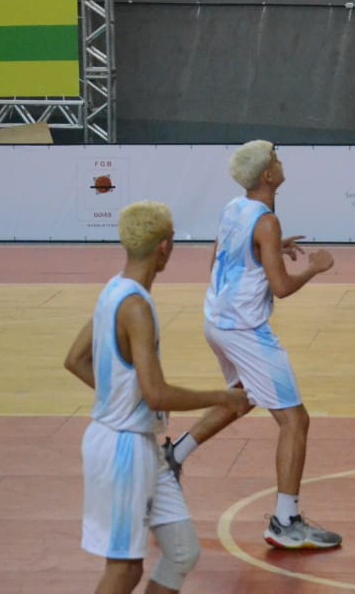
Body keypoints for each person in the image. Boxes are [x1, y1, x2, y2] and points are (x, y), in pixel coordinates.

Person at [162, 141, 341, 550]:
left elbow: (219, 261)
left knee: (241, 397)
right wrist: (314, 268)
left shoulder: (234, 208)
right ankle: (285, 520)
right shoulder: (266, 221)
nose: (281, 163)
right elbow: (281, 286)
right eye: (276, 159)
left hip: (216, 320)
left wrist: (269, 251)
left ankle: (174, 456)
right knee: (295, 421)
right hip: (245, 329)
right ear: (267, 175)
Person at [65, 200, 249, 594]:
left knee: (181, 552)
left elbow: (75, 360)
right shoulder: (136, 308)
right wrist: (224, 397)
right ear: (165, 247)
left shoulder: (113, 291)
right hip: (122, 450)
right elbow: (156, 392)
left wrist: (117, 397)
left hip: (141, 444)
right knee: (124, 569)